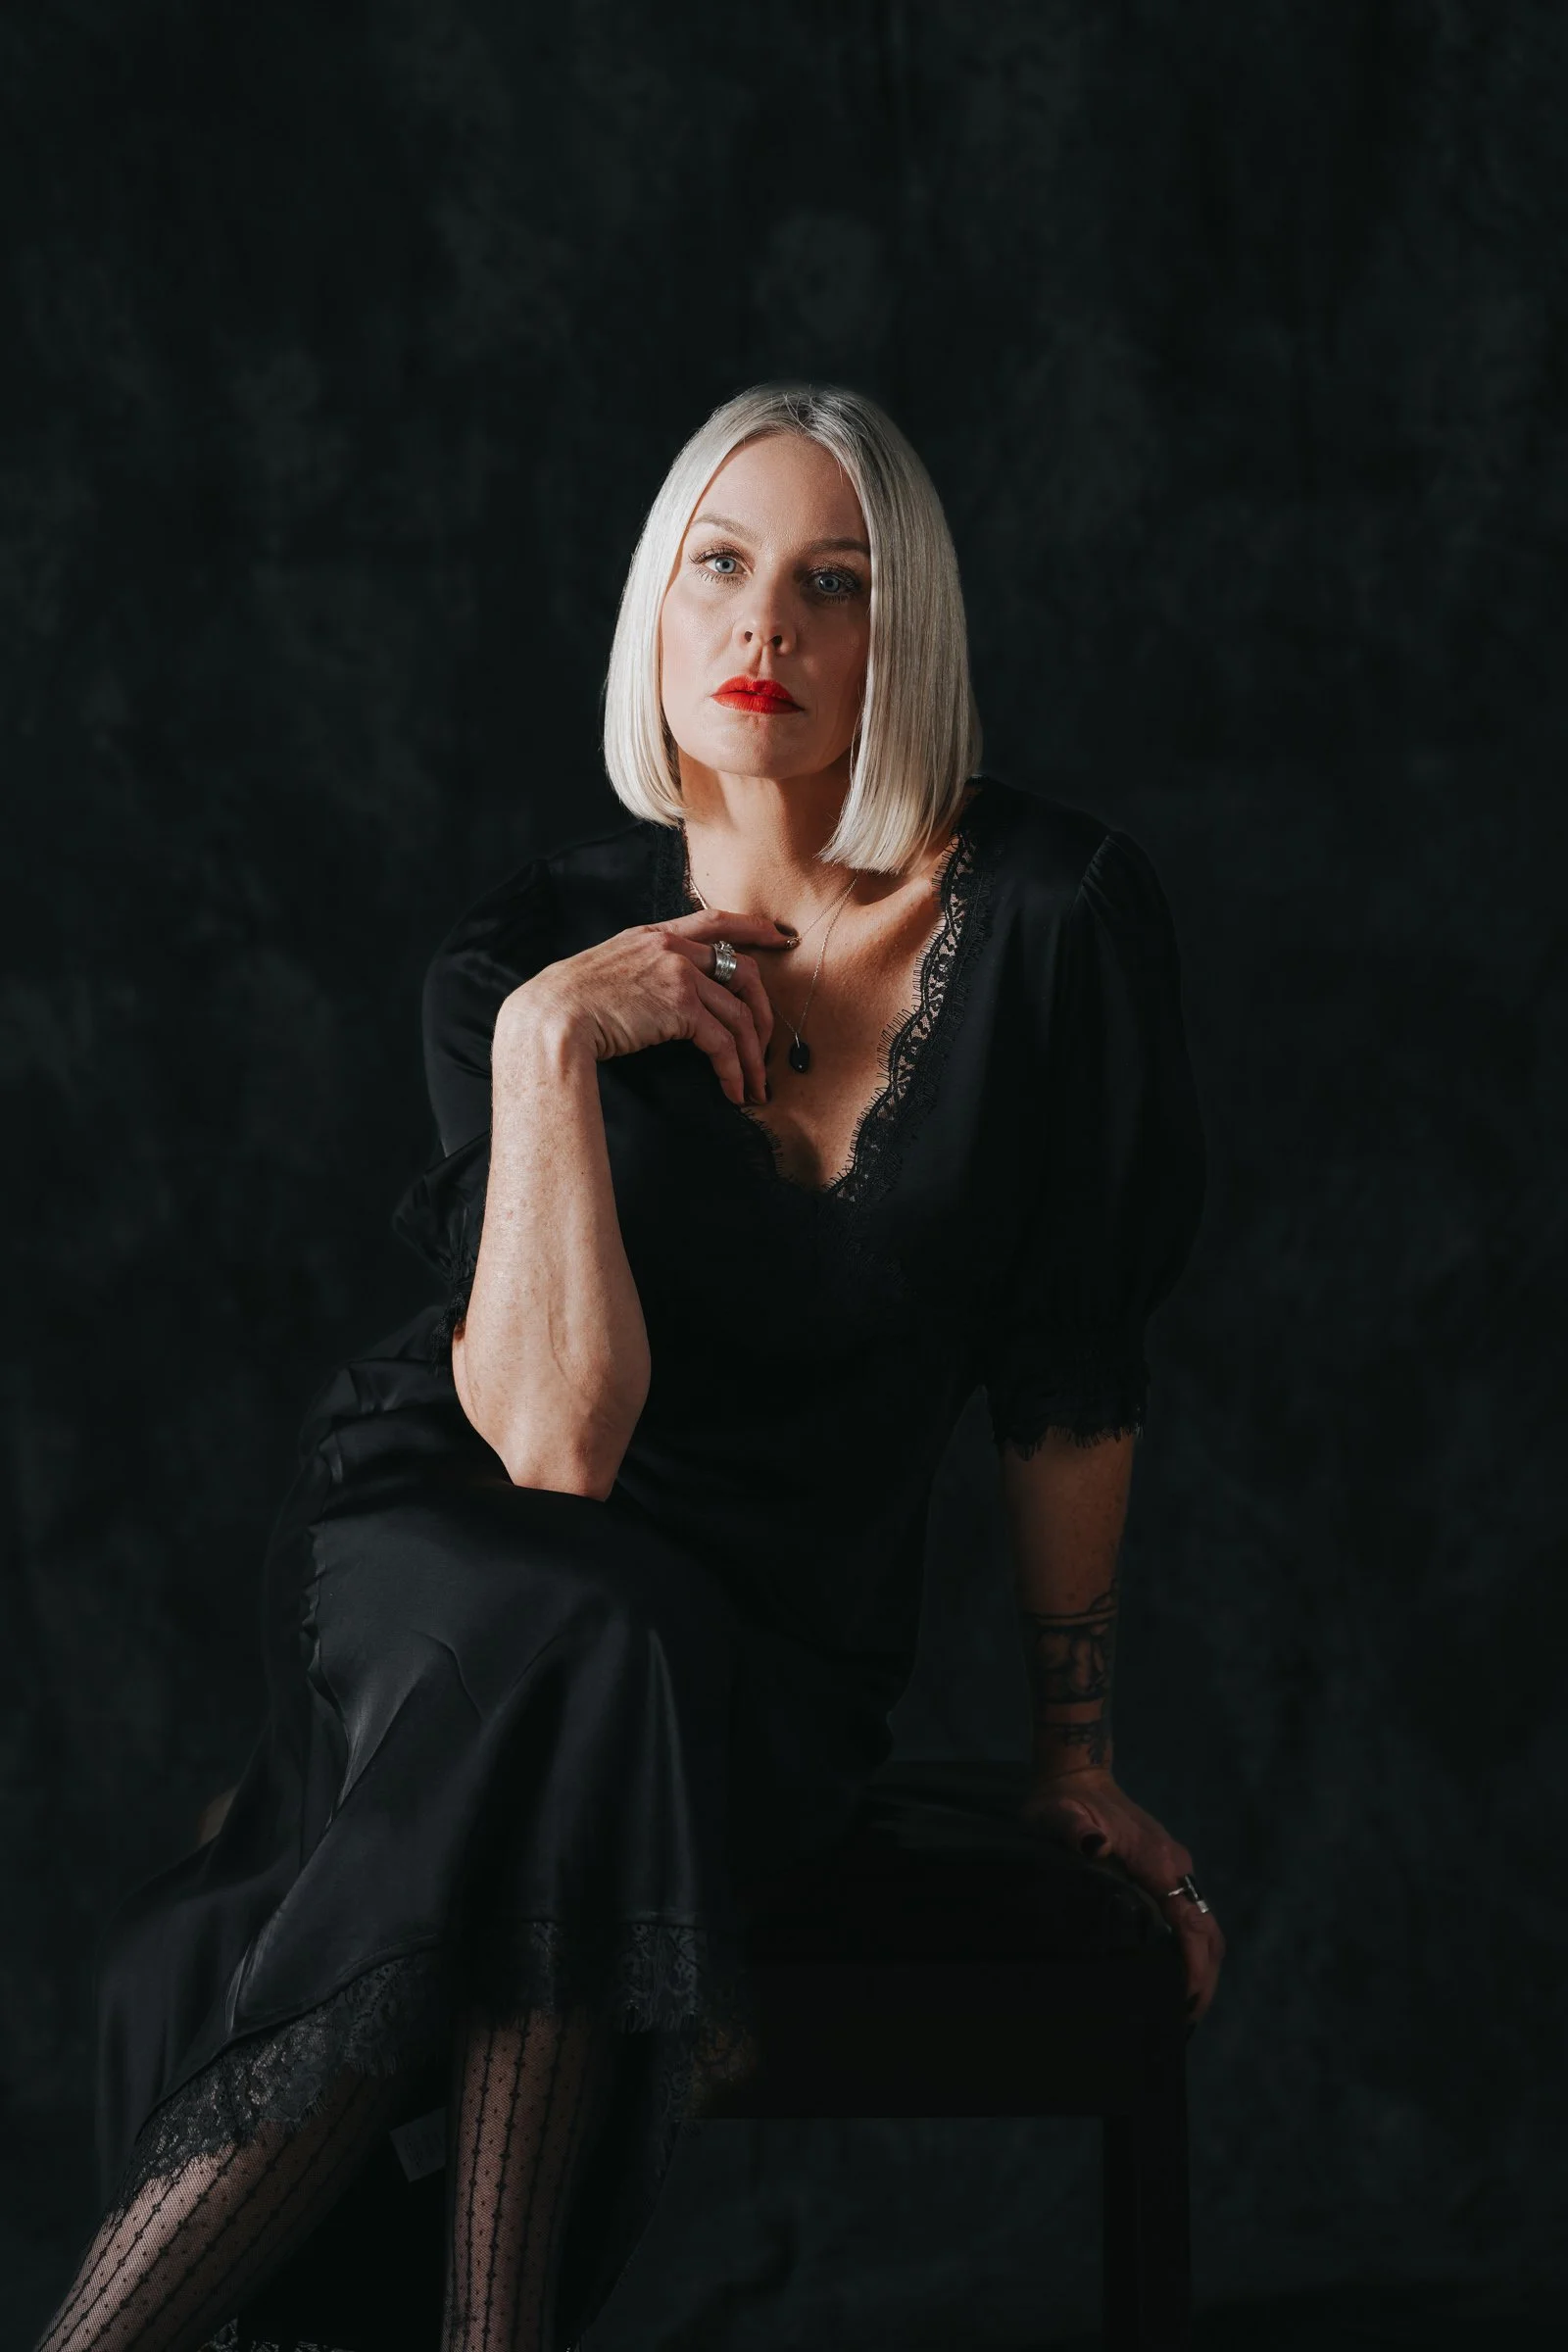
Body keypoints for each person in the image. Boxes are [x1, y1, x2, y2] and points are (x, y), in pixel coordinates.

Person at [34, 381, 1224, 2352]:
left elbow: (1065, 1365)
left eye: (830, 585)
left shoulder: (1050, 926)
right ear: (653, 627)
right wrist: (547, 1047)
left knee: (617, 1669)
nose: (766, 632)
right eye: (721, 572)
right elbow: (551, 1453)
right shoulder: (519, 960)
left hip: (754, 1656)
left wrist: (1072, 1756)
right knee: (586, 1636)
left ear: (898, 633)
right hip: (447, 1548)